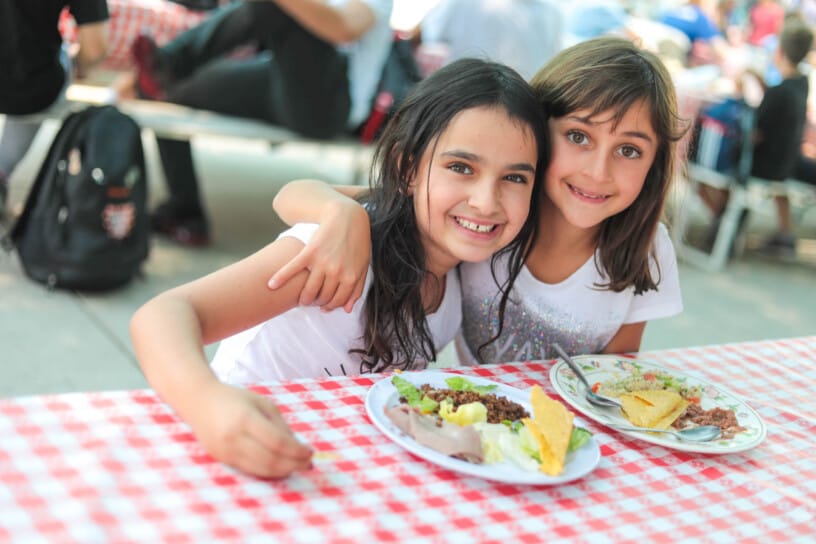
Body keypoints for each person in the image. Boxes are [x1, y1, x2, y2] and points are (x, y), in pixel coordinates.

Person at [129, 58, 549, 477]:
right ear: (407, 168)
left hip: (326, 465)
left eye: (515, 178)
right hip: (237, 444)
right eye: (461, 167)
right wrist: (209, 404)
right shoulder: (339, 252)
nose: (486, 201)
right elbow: (163, 315)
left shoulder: (464, 270)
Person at [269, 37, 686, 364]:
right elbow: (295, 193)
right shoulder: (492, 215)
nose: (599, 171)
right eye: (578, 136)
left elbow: (618, 372)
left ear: (654, 163)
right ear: (537, 131)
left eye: (629, 150)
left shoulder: (649, 248)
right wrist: (343, 214)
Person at [130, 0, 394, 246]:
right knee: (166, 89)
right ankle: (185, 212)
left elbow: (345, 28)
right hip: (281, 83)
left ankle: (173, 60)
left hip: (331, 106)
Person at [700, 16, 814, 257]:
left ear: (779, 51)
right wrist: (760, 80)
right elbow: (776, 101)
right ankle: (729, 226)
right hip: (784, 163)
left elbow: (754, 131)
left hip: (763, 168)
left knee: (707, 168)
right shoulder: (800, 84)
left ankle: (723, 227)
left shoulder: (779, 93)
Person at [0, 1, 109, 216]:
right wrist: (79, 64)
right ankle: (2, 171)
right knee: (37, 79)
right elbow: (95, 50)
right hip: (32, 82)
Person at [412, 0, 564, 81]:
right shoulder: (460, 3)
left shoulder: (551, 13)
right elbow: (431, 47)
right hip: (460, 93)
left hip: (519, 101)